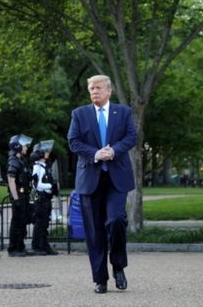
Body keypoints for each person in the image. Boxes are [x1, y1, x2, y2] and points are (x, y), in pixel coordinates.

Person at [67, 74, 137, 293]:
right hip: (90, 178)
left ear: (109, 91)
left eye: (98, 88)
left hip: (116, 178)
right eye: (91, 88)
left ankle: (118, 266)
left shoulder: (123, 112)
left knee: (116, 220)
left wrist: (114, 150)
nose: (94, 91)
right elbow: (73, 141)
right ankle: (100, 279)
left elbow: (131, 136)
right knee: (95, 231)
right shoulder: (79, 114)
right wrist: (96, 153)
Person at [30, 140, 59, 256]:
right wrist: (50, 186)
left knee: (45, 223)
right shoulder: (37, 167)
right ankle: (36, 245)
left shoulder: (44, 166)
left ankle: (44, 244)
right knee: (40, 223)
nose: (47, 153)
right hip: (40, 199)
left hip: (46, 198)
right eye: (45, 151)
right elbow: (36, 185)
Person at [6, 133, 33, 257]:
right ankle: (13, 248)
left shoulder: (22, 161)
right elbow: (11, 180)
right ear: (17, 146)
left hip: (24, 195)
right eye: (24, 146)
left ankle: (20, 246)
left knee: (22, 221)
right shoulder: (13, 161)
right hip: (18, 195)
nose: (26, 148)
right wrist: (15, 198)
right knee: (16, 222)